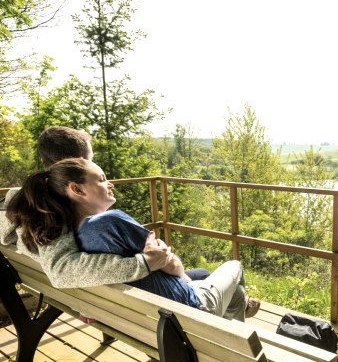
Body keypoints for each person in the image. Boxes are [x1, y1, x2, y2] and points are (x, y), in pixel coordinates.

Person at [7, 158, 260, 321]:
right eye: (102, 179)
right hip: (188, 312)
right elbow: (172, 266)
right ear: (78, 189)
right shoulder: (108, 223)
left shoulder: (55, 235)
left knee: (229, 289)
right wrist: (166, 270)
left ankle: (239, 309)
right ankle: (235, 328)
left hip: (136, 319)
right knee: (234, 266)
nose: (111, 183)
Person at [0, 126, 209, 287]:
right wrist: (144, 264)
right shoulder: (54, 211)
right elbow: (61, 269)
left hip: (93, 299)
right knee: (204, 276)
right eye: (90, 160)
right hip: (131, 301)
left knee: (202, 277)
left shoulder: (25, 203)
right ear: (77, 165)